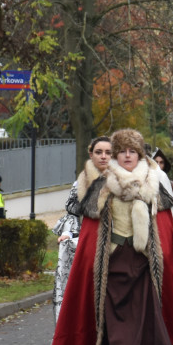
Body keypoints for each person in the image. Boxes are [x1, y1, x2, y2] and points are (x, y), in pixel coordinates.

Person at [44, 129, 173, 345]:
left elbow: (166, 222)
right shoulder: (102, 181)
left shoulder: (154, 179)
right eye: (123, 151)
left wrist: (172, 248)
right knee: (117, 320)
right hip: (112, 260)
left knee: (145, 318)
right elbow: (90, 222)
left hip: (143, 260)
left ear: (140, 154)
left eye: (133, 151)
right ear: (116, 154)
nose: (128, 156)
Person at [52, 136, 111, 322]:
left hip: (117, 243)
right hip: (89, 242)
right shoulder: (81, 181)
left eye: (108, 152)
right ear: (91, 155)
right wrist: (69, 233)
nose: (103, 156)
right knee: (88, 293)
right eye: (98, 152)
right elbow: (71, 209)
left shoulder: (122, 179)